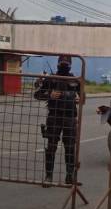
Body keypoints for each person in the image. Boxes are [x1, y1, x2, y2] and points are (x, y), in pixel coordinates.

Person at [34, 55, 81, 186]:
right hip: (54, 116)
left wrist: (78, 98)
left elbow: (83, 98)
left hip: (70, 117)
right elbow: (37, 94)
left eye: (66, 62)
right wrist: (50, 94)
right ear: (58, 63)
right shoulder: (50, 79)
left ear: (70, 64)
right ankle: (48, 176)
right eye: (62, 62)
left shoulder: (75, 80)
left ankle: (70, 176)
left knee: (70, 148)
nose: (64, 64)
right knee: (51, 147)